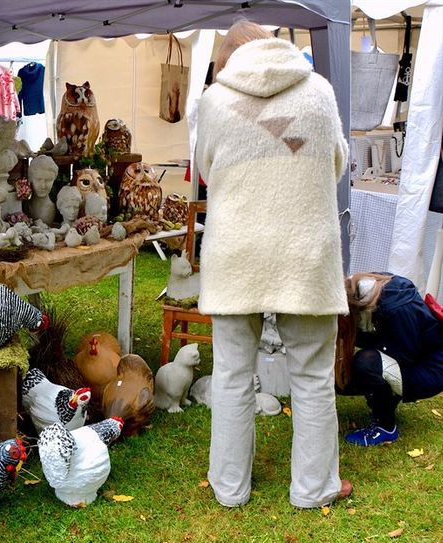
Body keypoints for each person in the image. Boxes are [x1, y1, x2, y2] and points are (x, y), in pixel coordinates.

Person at [194, 20, 351, 509]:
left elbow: (205, 171)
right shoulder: (319, 92)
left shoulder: (215, 101)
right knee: (310, 375)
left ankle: (229, 487)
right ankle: (313, 488)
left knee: (233, 375)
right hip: (304, 251)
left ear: (229, 59)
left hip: (236, 254)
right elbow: (337, 162)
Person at [338, 273, 443, 446]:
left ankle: (385, 427)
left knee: (365, 364)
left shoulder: (396, 308)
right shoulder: (370, 289)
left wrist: (375, 391)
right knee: (351, 372)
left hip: (432, 370)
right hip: (416, 357)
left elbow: (406, 356)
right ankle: (381, 403)